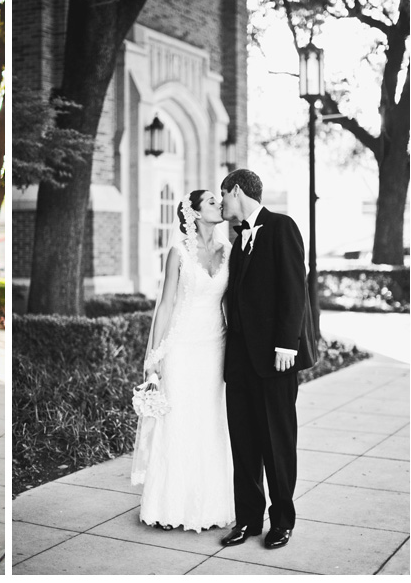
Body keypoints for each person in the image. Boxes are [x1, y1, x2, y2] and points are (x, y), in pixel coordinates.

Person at [218, 169, 318, 550]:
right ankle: (247, 520)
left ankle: (282, 521)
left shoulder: (282, 227)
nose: (223, 202)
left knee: (277, 443)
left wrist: (286, 345)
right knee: (243, 444)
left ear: (237, 191)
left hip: (276, 359)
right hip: (240, 361)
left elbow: (295, 288)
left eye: (223, 195)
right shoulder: (238, 236)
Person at [131, 190, 235, 532]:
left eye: (219, 200)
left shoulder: (229, 251)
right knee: (177, 420)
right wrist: (154, 356)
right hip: (181, 346)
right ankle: (171, 505)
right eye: (210, 201)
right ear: (192, 212)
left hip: (214, 346)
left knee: (210, 420)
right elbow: (166, 304)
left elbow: (232, 305)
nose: (218, 205)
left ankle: (211, 505)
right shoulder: (178, 252)